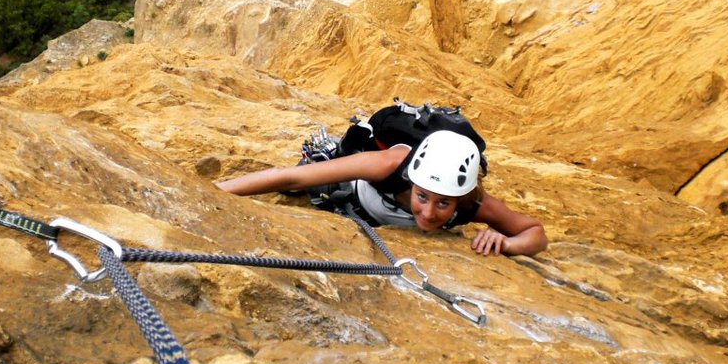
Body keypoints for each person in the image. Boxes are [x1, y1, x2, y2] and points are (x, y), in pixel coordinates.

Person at [217, 130, 547, 257]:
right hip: (348, 195)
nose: (429, 213)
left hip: (372, 215)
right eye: (422, 196)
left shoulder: (471, 202)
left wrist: (506, 243)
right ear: (411, 180)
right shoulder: (387, 166)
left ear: (459, 198)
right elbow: (289, 177)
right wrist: (213, 192)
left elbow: (536, 234)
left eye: (443, 203)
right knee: (310, 182)